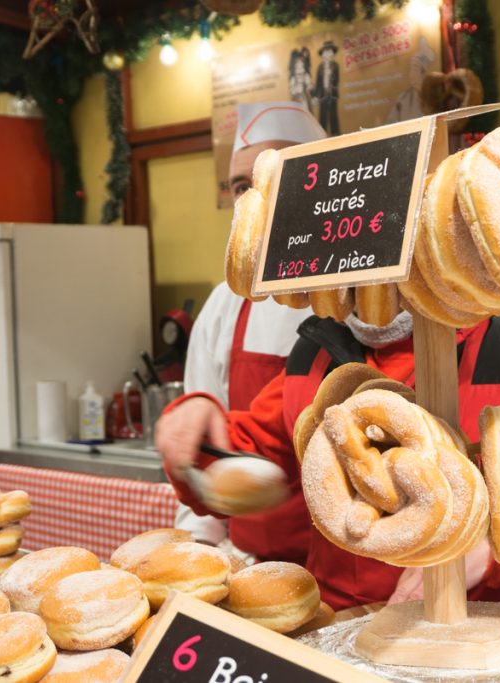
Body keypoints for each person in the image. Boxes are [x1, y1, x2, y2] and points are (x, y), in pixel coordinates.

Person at [158, 308, 500, 612]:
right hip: (336, 641)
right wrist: (199, 428)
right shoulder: (319, 352)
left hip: (477, 653)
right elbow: (254, 461)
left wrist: (495, 552)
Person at [176, 101, 326, 559]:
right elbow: (202, 439)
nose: (253, 202)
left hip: (359, 575)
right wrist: (200, 553)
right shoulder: (227, 303)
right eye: (242, 186)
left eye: (272, 180)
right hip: (253, 564)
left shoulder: (370, 304)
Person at [385, 35, 435, 124]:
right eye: (410, 70)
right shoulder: (403, 99)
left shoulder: (433, 95)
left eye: (415, 69)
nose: (411, 74)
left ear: (423, 72)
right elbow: (390, 124)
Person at [311, 40, 340, 135]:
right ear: (323, 54)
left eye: (330, 51)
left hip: (332, 95)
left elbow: (336, 80)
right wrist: (315, 96)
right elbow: (318, 83)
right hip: (322, 95)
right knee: (322, 116)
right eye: (326, 52)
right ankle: (322, 134)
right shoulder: (320, 67)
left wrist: (330, 74)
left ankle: (335, 133)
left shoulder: (335, 66)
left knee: (333, 115)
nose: (328, 54)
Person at [288, 47, 313, 114]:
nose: (300, 70)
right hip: (297, 103)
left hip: (306, 102)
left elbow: (310, 88)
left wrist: (309, 86)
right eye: (297, 67)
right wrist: (296, 90)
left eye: (302, 66)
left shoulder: (306, 77)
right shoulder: (293, 79)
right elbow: (292, 92)